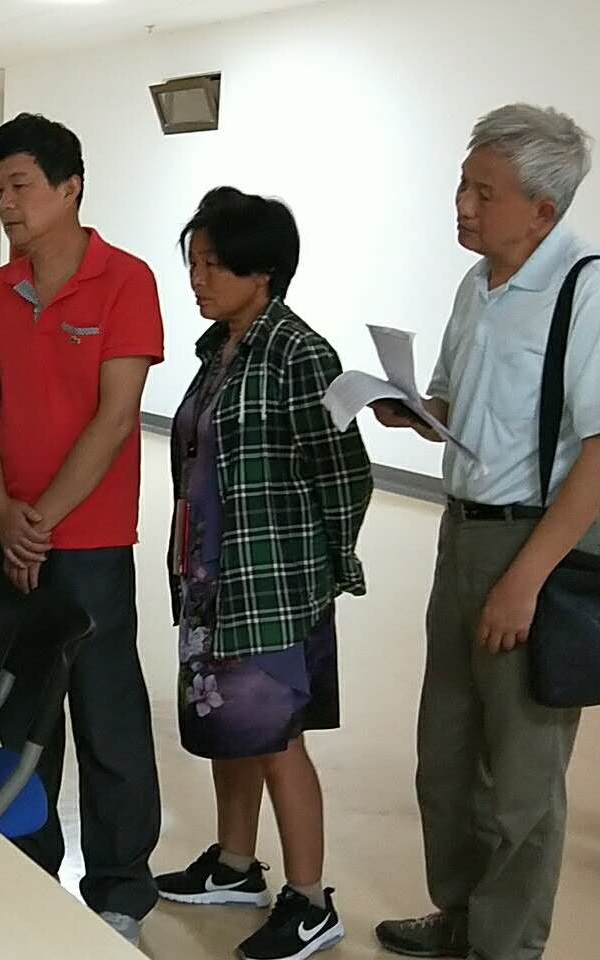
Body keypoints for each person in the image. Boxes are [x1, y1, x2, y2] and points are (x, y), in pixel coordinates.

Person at [370, 104, 600, 960]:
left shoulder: (590, 287)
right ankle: (460, 914)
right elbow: (460, 405)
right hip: (463, 535)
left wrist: (524, 582)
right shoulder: (478, 286)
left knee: (524, 770)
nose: (462, 205)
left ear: (542, 209)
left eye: (483, 193)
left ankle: (507, 945)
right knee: (447, 753)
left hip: (541, 548)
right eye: (463, 185)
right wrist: (417, 412)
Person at [151, 188, 373, 960]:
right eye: (193, 263)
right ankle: (235, 865)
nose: (197, 279)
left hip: (269, 580)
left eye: (214, 264)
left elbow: (345, 473)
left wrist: (325, 569)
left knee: (276, 736)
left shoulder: (300, 354)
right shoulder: (220, 348)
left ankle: (311, 902)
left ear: (264, 271)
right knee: (231, 722)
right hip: (211, 574)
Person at [0, 112, 164, 946]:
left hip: (87, 547)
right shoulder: (0, 288)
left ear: (70, 187)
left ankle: (119, 885)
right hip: (2, 539)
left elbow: (116, 419)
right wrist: (1, 508)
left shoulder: (126, 281)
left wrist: (37, 524)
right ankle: (29, 866)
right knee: (22, 718)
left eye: (20, 185)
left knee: (107, 717)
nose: (6, 203)